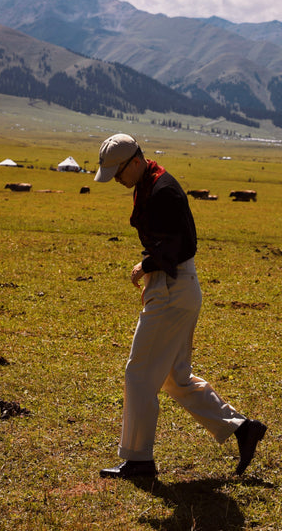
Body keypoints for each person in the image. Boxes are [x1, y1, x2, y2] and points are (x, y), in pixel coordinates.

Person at [94, 133, 267, 479]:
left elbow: (182, 243)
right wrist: (151, 266)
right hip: (178, 288)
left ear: (136, 162)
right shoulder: (154, 186)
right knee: (175, 378)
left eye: (118, 171)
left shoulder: (163, 191)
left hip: (172, 291)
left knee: (139, 373)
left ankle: (139, 460)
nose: (116, 179)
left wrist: (147, 265)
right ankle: (242, 428)